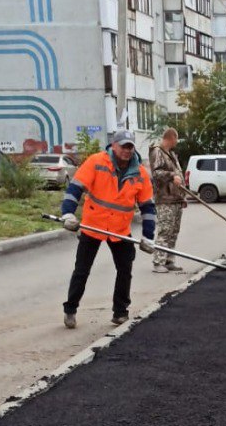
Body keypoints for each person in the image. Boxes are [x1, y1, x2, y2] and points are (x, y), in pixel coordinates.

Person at [59, 130, 156, 328]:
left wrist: (148, 236)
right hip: (92, 225)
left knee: (125, 269)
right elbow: (75, 188)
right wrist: (68, 213)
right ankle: (70, 309)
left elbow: (148, 206)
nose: (127, 150)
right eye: (123, 146)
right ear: (113, 146)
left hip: (119, 229)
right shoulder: (96, 162)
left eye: (130, 147)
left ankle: (120, 312)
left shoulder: (140, 174)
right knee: (82, 270)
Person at [148, 126, 187, 273]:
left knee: (174, 231)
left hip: (175, 198)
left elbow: (179, 176)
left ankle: (169, 260)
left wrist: (183, 197)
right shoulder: (157, 151)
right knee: (165, 231)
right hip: (165, 199)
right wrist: (171, 176)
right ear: (171, 138)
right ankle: (158, 262)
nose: (177, 142)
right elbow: (157, 173)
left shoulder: (171, 154)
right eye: (176, 139)